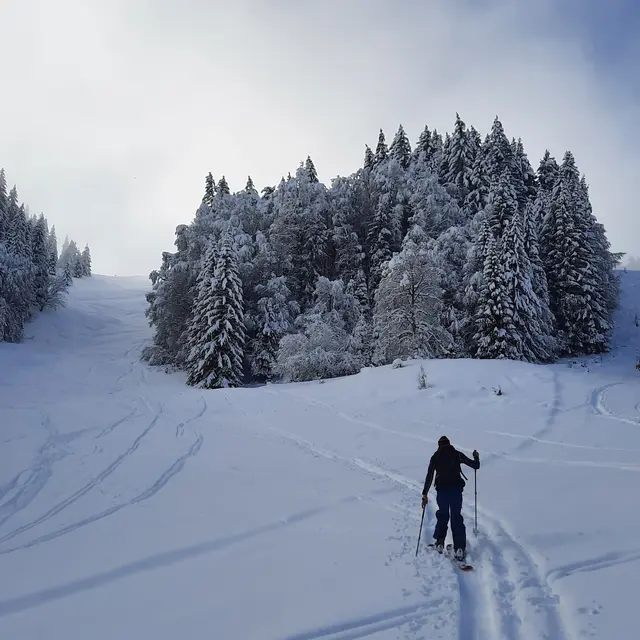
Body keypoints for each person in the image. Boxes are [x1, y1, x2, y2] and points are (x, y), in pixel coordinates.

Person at [421, 436, 479, 562]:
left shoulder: (435, 456)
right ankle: (459, 549)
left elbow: (429, 476)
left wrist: (425, 493)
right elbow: (475, 466)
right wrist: (476, 457)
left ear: (439, 445)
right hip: (456, 491)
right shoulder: (456, 454)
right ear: (449, 444)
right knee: (456, 517)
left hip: (442, 492)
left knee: (443, 515)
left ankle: (440, 543)